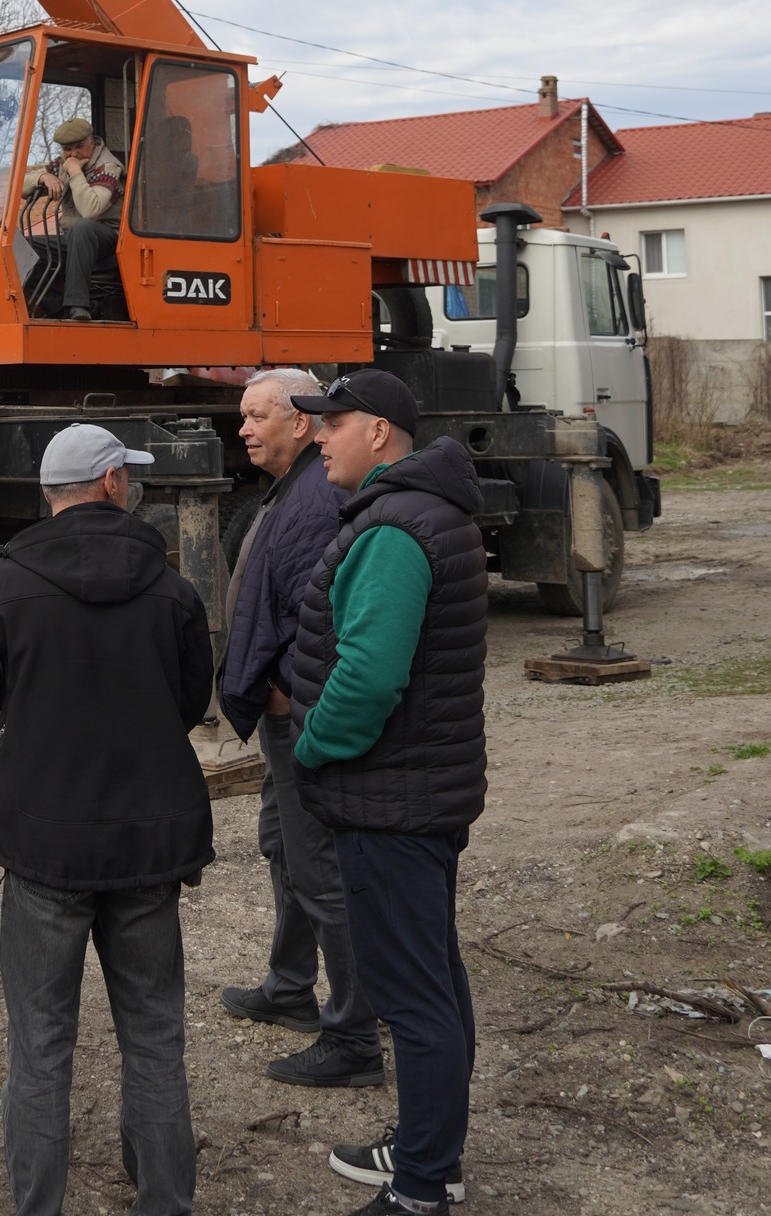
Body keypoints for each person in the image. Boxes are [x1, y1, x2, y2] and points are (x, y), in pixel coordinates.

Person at [0, 422, 214, 1216]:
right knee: (154, 1037)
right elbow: (189, 702)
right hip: (149, 845)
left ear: (50, 494)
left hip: (46, 849)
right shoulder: (170, 589)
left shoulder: (6, 585)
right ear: (113, 484)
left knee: (40, 1047)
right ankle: (165, 1202)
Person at [287, 369, 487, 1216]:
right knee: (431, 977)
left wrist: (311, 749)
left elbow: (369, 677)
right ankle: (425, 1152)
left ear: (377, 433)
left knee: (410, 996)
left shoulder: (395, 528)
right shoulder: (420, 513)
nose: (317, 437)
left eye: (330, 424)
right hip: (416, 792)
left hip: (390, 799)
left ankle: (418, 1187)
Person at [216, 370, 383, 1089]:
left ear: (300, 423)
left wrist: (285, 693)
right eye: (244, 417)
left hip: (298, 717)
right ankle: (289, 987)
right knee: (282, 847)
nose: (244, 429)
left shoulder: (316, 499)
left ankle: (353, 1037)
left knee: (317, 870)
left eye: (257, 416)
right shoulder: (293, 487)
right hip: (281, 710)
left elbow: (318, 618)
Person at [23, 115, 124, 322]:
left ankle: (77, 306)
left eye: (79, 147)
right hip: (75, 239)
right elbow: (21, 187)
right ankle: (57, 306)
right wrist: (43, 177)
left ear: (92, 142)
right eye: (67, 149)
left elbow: (90, 210)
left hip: (109, 237)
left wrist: (76, 173)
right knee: (22, 246)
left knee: (83, 227)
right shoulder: (62, 164)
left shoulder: (108, 166)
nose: (74, 154)